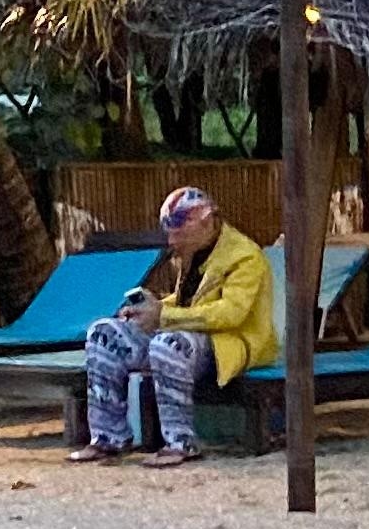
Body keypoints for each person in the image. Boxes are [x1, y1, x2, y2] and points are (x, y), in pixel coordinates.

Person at [76, 185, 280, 467]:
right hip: (194, 336)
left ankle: (180, 442)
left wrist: (163, 317)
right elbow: (189, 302)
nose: (172, 240)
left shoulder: (245, 257)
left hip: (230, 344)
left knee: (168, 344)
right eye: (169, 232)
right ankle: (108, 437)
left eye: (179, 232)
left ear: (207, 222)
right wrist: (151, 307)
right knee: (103, 334)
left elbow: (230, 314)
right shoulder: (196, 251)